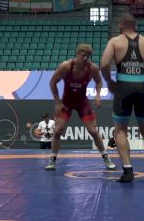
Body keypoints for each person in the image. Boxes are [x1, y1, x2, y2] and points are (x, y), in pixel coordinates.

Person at [100, 13, 144, 182]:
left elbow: (104, 65)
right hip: (143, 87)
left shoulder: (115, 42)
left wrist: (109, 81)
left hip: (123, 88)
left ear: (121, 25)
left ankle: (128, 170)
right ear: (135, 26)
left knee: (120, 130)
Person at [45, 43, 116, 171]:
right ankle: (53, 159)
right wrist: (57, 102)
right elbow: (52, 82)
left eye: (87, 56)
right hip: (66, 102)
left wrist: (98, 95)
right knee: (57, 131)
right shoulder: (66, 66)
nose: (85, 59)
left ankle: (106, 157)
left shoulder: (92, 68)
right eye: (83, 55)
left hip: (82, 102)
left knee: (93, 131)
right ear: (77, 54)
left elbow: (99, 81)